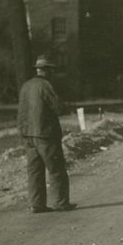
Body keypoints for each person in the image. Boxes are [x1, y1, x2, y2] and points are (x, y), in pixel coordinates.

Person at [17, 55, 76, 213]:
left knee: (34, 171)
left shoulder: (26, 86)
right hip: (45, 134)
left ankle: (36, 204)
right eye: (52, 70)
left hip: (27, 134)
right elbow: (59, 108)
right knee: (56, 169)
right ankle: (60, 203)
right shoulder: (46, 86)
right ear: (47, 71)